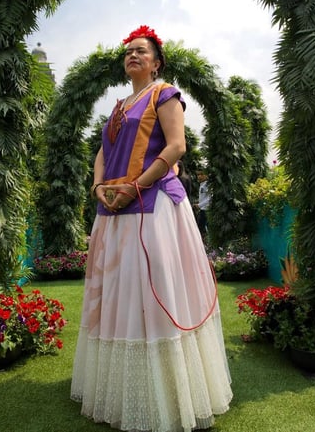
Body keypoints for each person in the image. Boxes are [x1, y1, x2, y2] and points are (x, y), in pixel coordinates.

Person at [71, 25, 232, 431]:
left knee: (154, 288)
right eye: (128, 51)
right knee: (120, 294)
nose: (133, 56)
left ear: (156, 61)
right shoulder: (120, 105)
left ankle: (172, 391)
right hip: (113, 208)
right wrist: (98, 186)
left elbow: (175, 146)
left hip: (153, 205)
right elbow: (101, 154)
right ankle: (123, 389)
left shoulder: (165, 93)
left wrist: (133, 187)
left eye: (141, 51)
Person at [197, 170, 210, 238]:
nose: (199, 176)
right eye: (198, 175)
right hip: (202, 209)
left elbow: (210, 198)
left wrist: (199, 205)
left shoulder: (207, 184)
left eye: (201, 174)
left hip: (206, 209)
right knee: (201, 227)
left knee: (201, 227)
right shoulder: (202, 184)